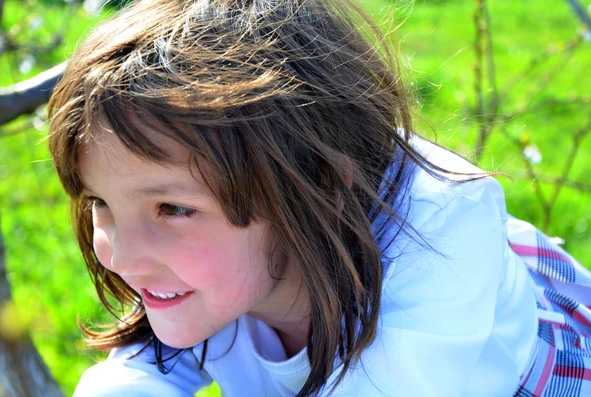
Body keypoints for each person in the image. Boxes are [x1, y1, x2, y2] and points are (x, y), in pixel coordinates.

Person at [47, 0, 591, 396]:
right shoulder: (207, 268)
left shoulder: (441, 237)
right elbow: (135, 374)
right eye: (100, 204)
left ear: (316, 184)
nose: (121, 255)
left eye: (173, 209)